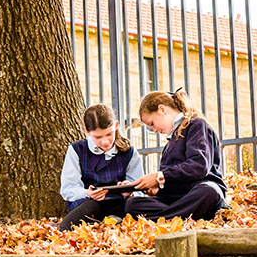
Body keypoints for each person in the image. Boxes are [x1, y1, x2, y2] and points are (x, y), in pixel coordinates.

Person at [125, 89, 226, 220]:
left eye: (152, 124)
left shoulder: (196, 125)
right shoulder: (169, 144)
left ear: (162, 109)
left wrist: (158, 177)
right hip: (180, 200)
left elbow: (199, 166)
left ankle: (167, 218)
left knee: (209, 191)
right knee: (132, 205)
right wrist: (158, 189)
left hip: (201, 191)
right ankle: (177, 217)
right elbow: (175, 178)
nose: (154, 130)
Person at [58, 103, 143, 231]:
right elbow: (68, 188)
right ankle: (64, 229)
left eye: (109, 134)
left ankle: (112, 222)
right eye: (98, 137)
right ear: (87, 132)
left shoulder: (129, 151)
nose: (105, 142)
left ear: (116, 126)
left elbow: (140, 188)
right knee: (91, 206)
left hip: (119, 203)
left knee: (134, 205)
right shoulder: (77, 150)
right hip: (87, 204)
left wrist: (129, 191)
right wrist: (88, 193)